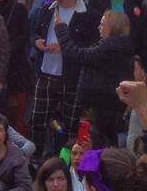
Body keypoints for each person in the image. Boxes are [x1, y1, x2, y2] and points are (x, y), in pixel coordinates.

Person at [29, 0, 98, 157]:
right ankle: (37, 157)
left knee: (71, 124)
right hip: (46, 72)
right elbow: (34, 32)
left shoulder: (88, 15)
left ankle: (66, 161)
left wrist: (66, 47)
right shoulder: (46, 9)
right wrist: (37, 42)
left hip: (71, 77)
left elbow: (93, 45)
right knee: (38, 118)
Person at [56, 9, 136, 147]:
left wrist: (61, 29)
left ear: (113, 26)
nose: (99, 27)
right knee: (103, 142)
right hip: (105, 106)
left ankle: (89, 168)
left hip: (99, 108)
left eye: (103, 24)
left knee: (92, 144)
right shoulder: (119, 46)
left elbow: (76, 55)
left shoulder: (110, 47)